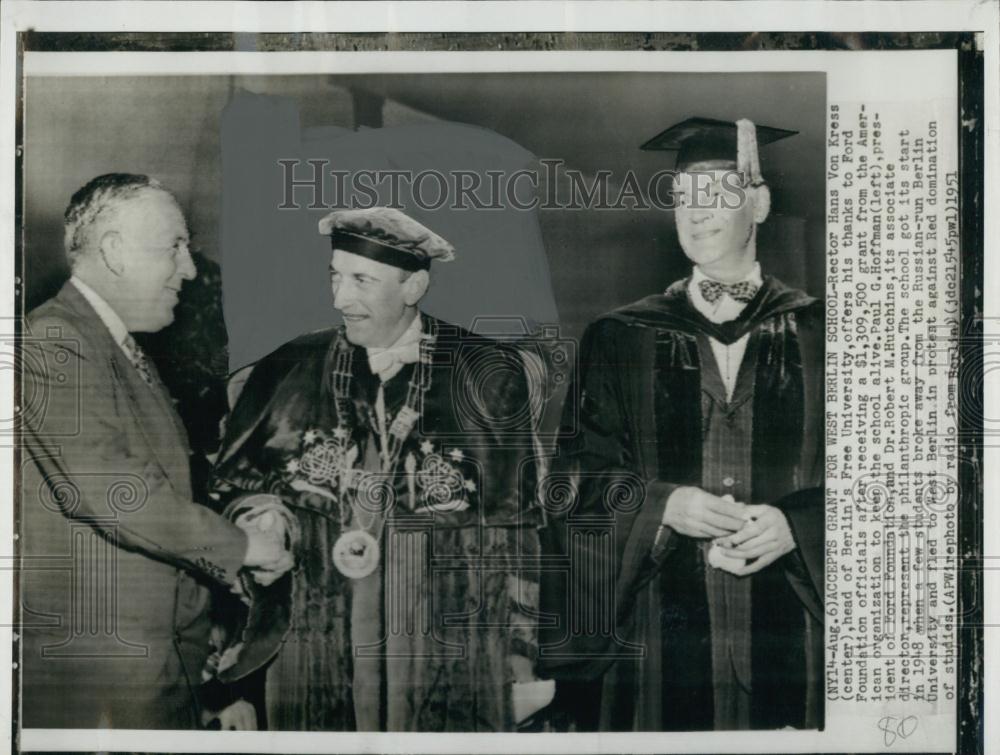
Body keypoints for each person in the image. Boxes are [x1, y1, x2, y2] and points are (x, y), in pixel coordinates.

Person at [210, 207, 546, 731]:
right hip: (311, 648)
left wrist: (520, 654)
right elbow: (235, 493)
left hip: (448, 650)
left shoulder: (487, 375)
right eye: (335, 276)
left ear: (414, 285)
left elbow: (516, 525)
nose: (340, 298)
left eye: (361, 280)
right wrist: (263, 519)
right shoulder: (284, 370)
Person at [539, 118, 825, 731]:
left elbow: (901, 488)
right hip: (657, 645)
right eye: (681, 199)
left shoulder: (827, 333)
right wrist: (660, 507)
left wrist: (799, 526)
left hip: (797, 637)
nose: (695, 215)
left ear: (761, 203)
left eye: (718, 195)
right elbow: (573, 480)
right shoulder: (619, 337)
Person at [19, 173, 292, 729]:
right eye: (175, 247)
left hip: (157, 672)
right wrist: (243, 547)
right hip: (104, 680)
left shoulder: (115, 349)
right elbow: (120, 496)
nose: (188, 271)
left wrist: (210, 688)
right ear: (115, 252)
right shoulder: (54, 341)